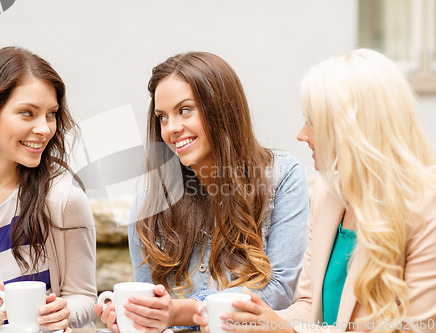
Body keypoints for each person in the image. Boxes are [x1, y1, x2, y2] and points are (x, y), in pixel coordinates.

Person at [197, 48, 436, 333]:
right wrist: (259, 320)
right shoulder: (327, 193)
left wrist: (288, 332)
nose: (302, 134)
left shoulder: (426, 206)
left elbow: (417, 328)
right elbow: (310, 308)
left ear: (351, 129)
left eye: (312, 122)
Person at [95, 51, 309, 332]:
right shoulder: (148, 207)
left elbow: (278, 290)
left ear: (220, 108)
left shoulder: (282, 177)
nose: (171, 128)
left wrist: (183, 311)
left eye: (185, 110)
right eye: (162, 117)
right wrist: (138, 319)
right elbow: (151, 306)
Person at [0, 47, 97, 333]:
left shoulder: (64, 198)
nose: (44, 129)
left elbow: (83, 297)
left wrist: (64, 312)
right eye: (27, 113)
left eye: (51, 114)